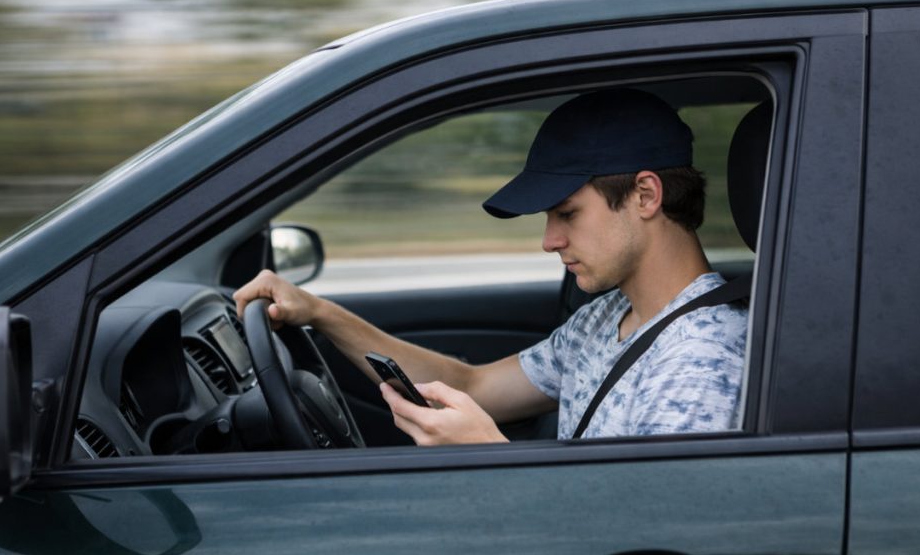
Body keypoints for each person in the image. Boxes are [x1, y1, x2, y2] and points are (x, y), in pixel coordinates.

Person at [234, 88, 748, 445]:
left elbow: (653, 539)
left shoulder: (701, 358)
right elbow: (473, 388)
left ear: (645, 195)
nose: (550, 241)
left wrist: (486, 448)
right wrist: (320, 312)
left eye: (567, 213)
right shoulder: (606, 317)